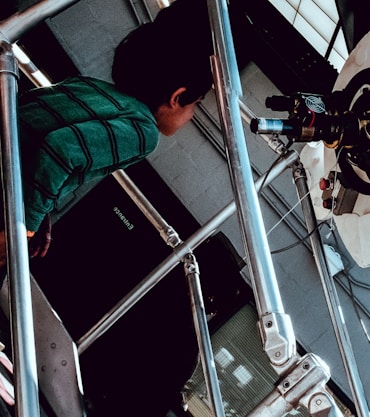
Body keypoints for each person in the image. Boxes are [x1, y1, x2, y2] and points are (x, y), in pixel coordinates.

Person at [0, 6, 213, 268]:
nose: (192, 115)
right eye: (196, 104)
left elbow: (31, 119)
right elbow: (60, 150)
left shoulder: (89, 85)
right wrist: (24, 228)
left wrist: (40, 210)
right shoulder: (143, 131)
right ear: (177, 97)